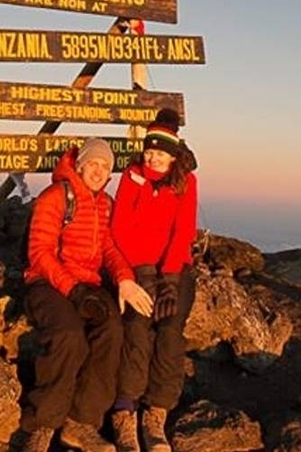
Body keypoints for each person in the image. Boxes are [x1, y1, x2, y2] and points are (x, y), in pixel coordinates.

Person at [15, 139, 154, 452]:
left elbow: (108, 248)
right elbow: (39, 253)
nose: (99, 170)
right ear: (80, 165)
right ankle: (43, 425)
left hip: (87, 285)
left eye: (105, 167)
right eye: (94, 164)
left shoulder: (104, 203)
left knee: (112, 330)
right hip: (47, 283)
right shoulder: (55, 196)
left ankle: (81, 423)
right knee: (68, 336)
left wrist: (125, 280)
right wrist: (73, 291)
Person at [107, 109, 199, 452]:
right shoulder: (131, 176)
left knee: (171, 328)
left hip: (174, 268)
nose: (153, 158)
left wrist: (171, 278)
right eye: (149, 151)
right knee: (137, 325)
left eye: (160, 152)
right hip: (138, 268)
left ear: (173, 155)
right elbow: (120, 227)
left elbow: (183, 231)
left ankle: (155, 414)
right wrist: (142, 270)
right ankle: (124, 410)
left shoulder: (185, 181)